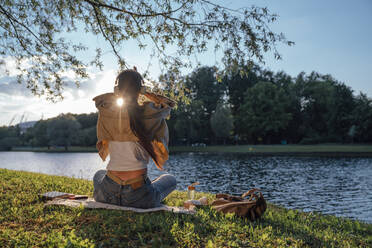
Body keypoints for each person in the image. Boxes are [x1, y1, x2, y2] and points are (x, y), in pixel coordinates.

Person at [92, 68, 177, 208]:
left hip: (107, 193)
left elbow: (107, 101)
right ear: (142, 89)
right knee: (170, 179)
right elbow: (162, 105)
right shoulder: (152, 115)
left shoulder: (107, 113)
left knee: (99, 174)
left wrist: (121, 91)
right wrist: (144, 92)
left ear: (116, 89)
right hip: (139, 196)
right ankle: (149, 186)